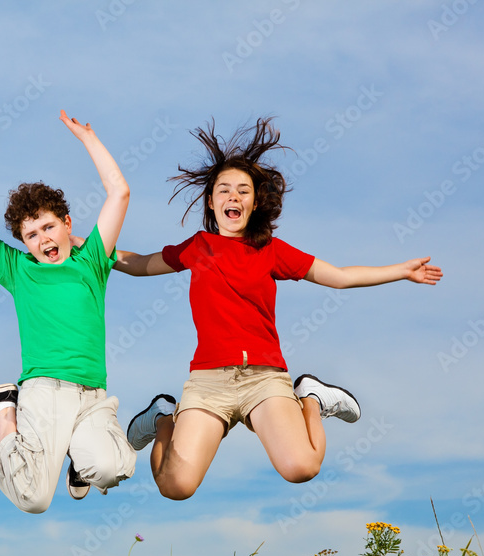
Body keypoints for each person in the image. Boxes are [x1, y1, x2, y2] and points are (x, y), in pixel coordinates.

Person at [114, 118, 443, 500]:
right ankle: (161, 418)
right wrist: (92, 249)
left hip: (264, 379)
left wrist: (401, 271)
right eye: (224, 190)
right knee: (175, 486)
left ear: (254, 203)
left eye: (242, 191)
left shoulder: (270, 250)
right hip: (208, 383)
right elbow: (139, 264)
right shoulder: (197, 247)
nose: (232, 197)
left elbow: (338, 276)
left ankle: (311, 399)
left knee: (301, 467)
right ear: (211, 200)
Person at [0, 111, 136, 514]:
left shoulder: (93, 260)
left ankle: (82, 461)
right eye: (31, 234)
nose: (43, 239)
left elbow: (120, 193)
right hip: (44, 393)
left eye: (48, 227)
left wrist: (89, 140)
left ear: (67, 224)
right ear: (24, 242)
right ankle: (2, 409)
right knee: (35, 499)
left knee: (111, 469)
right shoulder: (19, 271)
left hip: (91, 396)